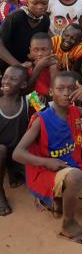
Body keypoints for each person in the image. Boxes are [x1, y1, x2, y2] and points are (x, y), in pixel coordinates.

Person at [13, 72, 82, 244]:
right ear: (51, 92)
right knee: (75, 176)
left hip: (73, 170)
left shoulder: (75, 111)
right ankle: (68, 224)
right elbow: (17, 153)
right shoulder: (41, 120)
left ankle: (61, 198)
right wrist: (46, 162)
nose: (66, 93)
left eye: (70, 89)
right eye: (60, 89)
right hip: (46, 173)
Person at [0, 65, 29, 216]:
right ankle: (0, 194)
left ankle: (13, 171)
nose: (6, 81)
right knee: (1, 150)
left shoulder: (28, 101)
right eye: (5, 77)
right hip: (2, 153)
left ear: (23, 84)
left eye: (13, 79)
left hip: (18, 153)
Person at [0, 0, 50, 70]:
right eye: (35, 3)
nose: (40, 7)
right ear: (27, 3)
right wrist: (19, 65)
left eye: (44, 4)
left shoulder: (45, 20)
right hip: (8, 66)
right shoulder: (16, 17)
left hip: (28, 66)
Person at [26, 33, 58, 105]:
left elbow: (57, 96)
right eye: (35, 50)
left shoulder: (56, 67)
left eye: (44, 49)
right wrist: (39, 67)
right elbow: (37, 103)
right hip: (34, 111)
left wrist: (53, 69)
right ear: (30, 51)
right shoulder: (27, 70)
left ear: (51, 50)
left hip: (52, 108)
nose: (40, 53)